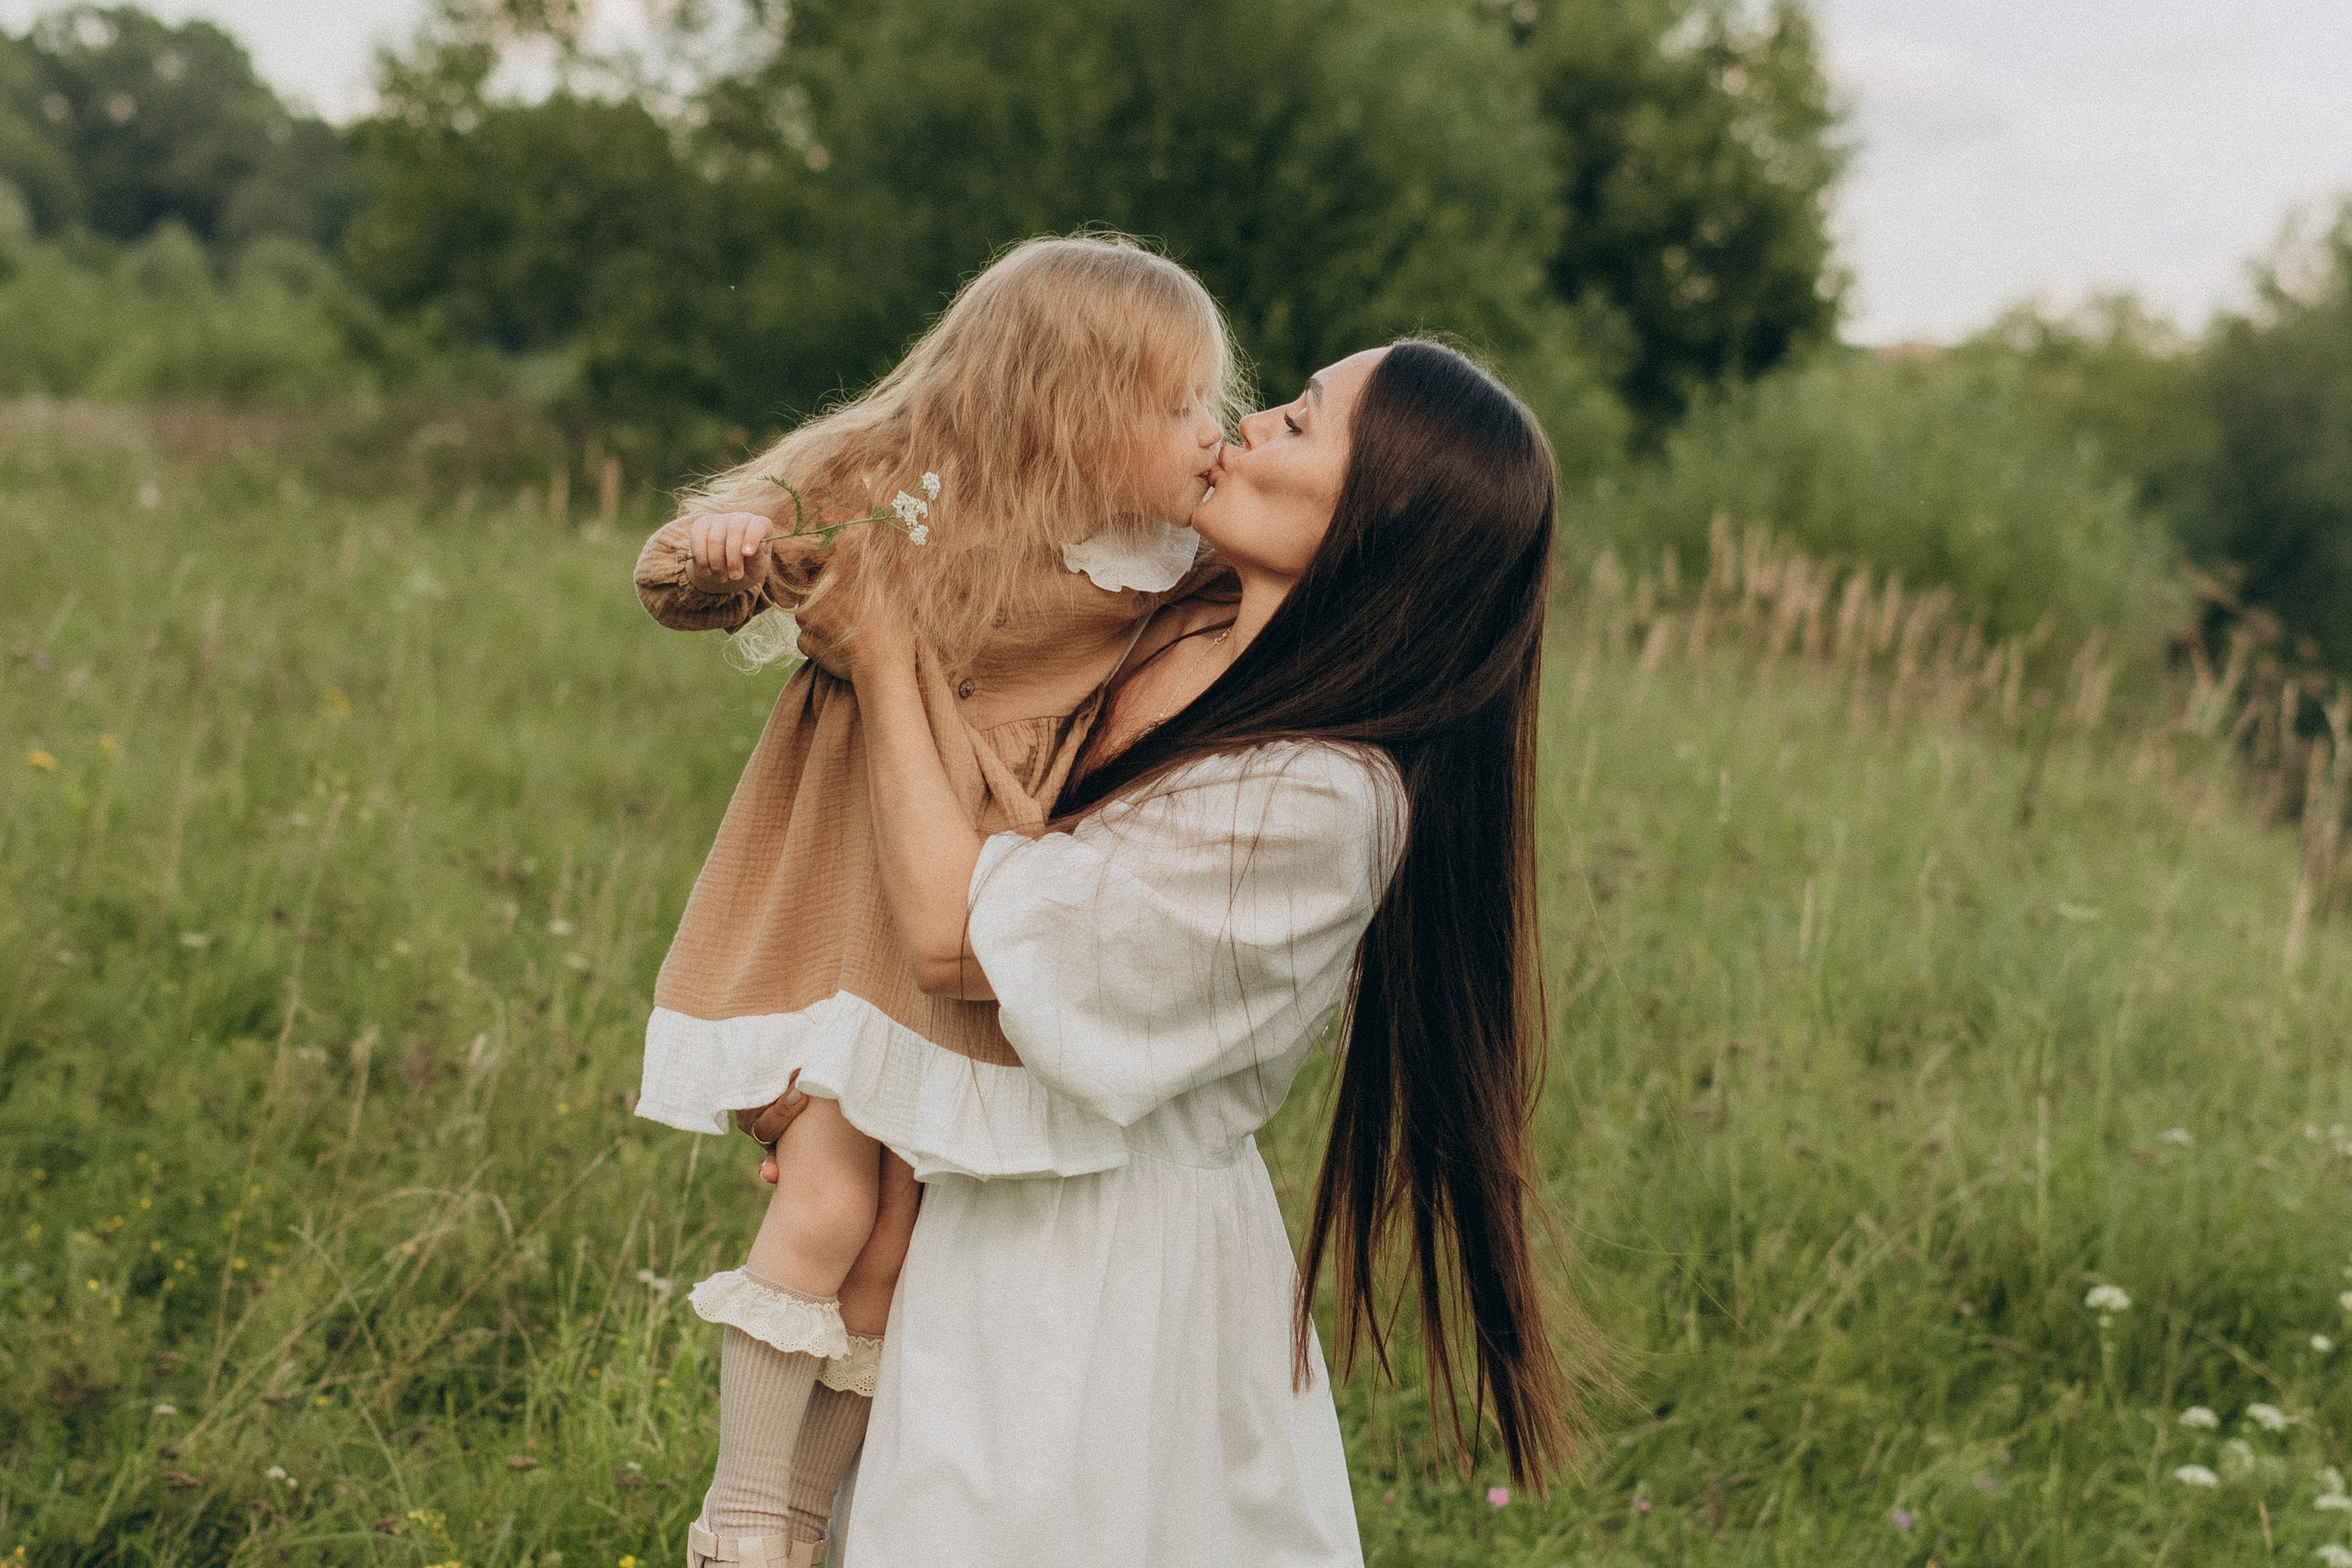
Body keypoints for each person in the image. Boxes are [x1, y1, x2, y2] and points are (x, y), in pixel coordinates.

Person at [771, 338, 1591, 1565]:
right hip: (963, 1192)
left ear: (1380, 521)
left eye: (1305, 424)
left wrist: (884, 650)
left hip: (1102, 1277)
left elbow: (954, 934)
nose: (1254, 426)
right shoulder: (1155, 624)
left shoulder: (1321, 801)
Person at [628, 235, 1240, 1568]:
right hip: (849, 892)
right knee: (837, 1196)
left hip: (970, 893)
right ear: (1067, 403)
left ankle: (802, 1520)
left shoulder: (1172, 560)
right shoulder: (886, 479)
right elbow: (682, 576)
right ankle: (741, 1510)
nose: (1214, 432)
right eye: (1179, 403)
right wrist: (724, 547)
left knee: (900, 1242)